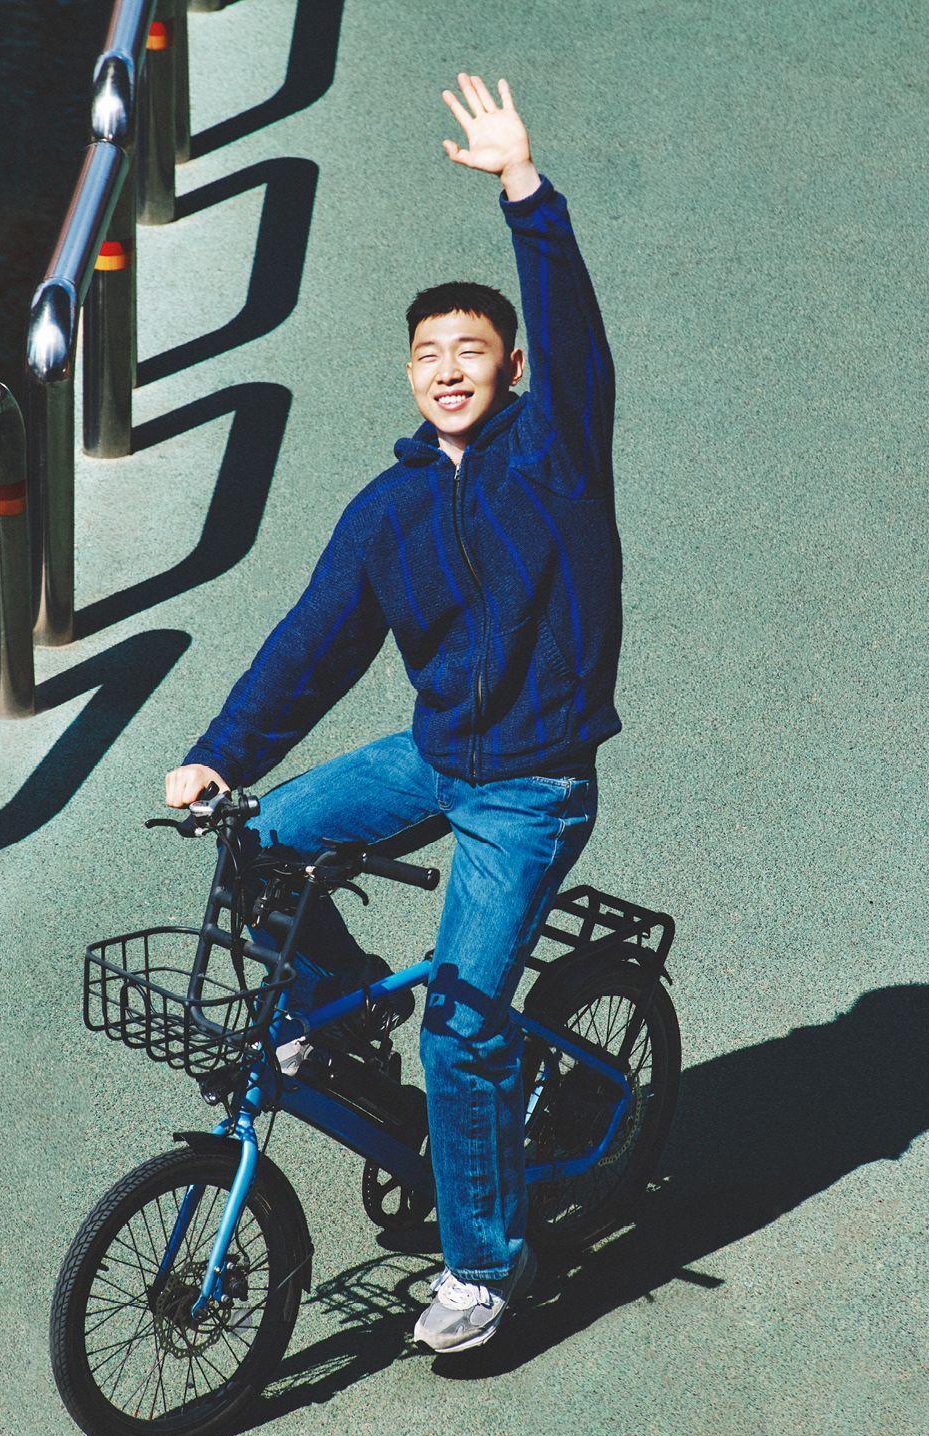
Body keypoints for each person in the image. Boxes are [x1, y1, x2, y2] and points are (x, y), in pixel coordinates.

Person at [165, 72, 622, 1352]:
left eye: (472, 351)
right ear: (408, 373)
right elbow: (313, 644)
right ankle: (351, 1007)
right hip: (432, 756)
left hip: (530, 784)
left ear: (510, 366)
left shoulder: (557, 456)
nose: (448, 370)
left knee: (464, 1036)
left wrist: (523, 189)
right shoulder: (390, 506)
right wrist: (217, 756)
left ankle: (487, 1268)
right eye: (428, 354)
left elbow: (576, 336)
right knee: (260, 841)